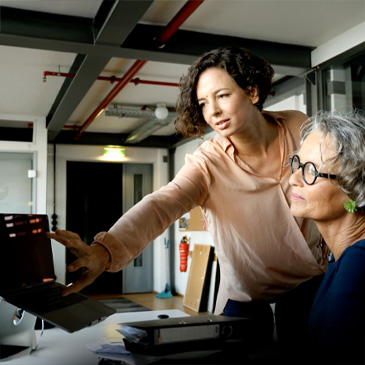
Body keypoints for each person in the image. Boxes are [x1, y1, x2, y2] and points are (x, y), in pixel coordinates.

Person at [47, 46, 327, 358]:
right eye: (204, 103)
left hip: (309, 283)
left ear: (251, 91)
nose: (213, 112)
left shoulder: (298, 126)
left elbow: (338, 180)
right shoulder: (206, 162)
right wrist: (104, 251)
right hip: (247, 295)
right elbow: (162, 204)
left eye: (222, 96)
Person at [289, 109, 365, 364]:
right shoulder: (341, 256)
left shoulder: (358, 262)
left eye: (310, 170)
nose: (292, 179)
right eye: (297, 164)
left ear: (353, 187)